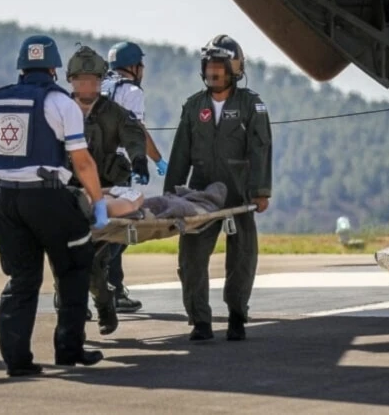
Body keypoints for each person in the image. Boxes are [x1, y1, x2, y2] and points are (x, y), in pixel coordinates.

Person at [0, 35, 107, 375]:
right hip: (46, 196)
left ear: (21, 67)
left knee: (21, 278)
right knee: (73, 267)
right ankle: (69, 350)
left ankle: (17, 361)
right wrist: (99, 203)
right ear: (54, 68)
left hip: (4, 197)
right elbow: (82, 162)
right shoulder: (60, 102)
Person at [164, 35, 273, 342]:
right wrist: (171, 194)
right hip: (200, 195)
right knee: (192, 258)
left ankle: (237, 315)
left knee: (242, 257)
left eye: (219, 67)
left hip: (239, 193)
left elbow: (260, 148)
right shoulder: (193, 106)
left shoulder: (252, 105)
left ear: (234, 69)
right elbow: (180, 153)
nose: (213, 73)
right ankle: (200, 320)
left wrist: (260, 190)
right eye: (209, 66)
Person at [64, 45, 147, 335]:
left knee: (95, 254)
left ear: (101, 80)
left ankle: (103, 305)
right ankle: (79, 311)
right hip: (69, 191)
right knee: (65, 256)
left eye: (92, 80)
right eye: (80, 80)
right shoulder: (59, 108)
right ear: (70, 80)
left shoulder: (114, 112)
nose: (87, 85)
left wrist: (139, 159)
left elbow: (133, 132)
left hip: (107, 192)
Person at [101, 41, 164, 313]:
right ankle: (108, 289)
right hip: (117, 168)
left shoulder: (96, 86)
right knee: (120, 229)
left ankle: (105, 287)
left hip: (87, 166)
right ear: (135, 67)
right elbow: (135, 131)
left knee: (94, 228)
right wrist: (158, 159)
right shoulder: (131, 92)